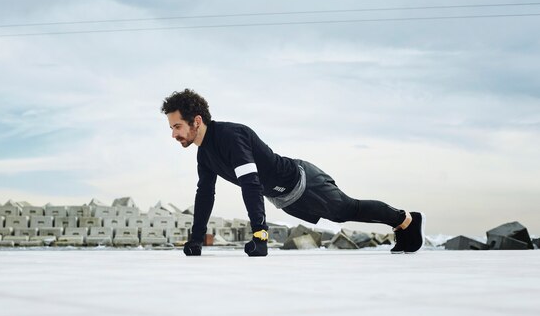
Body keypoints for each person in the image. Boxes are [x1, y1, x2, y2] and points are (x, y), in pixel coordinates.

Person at [161, 88, 424, 257]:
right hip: (286, 199)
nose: (173, 134)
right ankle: (403, 224)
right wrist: (196, 240)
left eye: (177, 126)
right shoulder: (204, 154)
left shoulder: (231, 136)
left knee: (347, 210)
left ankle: (406, 221)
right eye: (172, 128)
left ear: (196, 121)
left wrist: (260, 235)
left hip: (305, 183)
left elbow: (250, 183)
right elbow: (205, 195)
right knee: (343, 214)